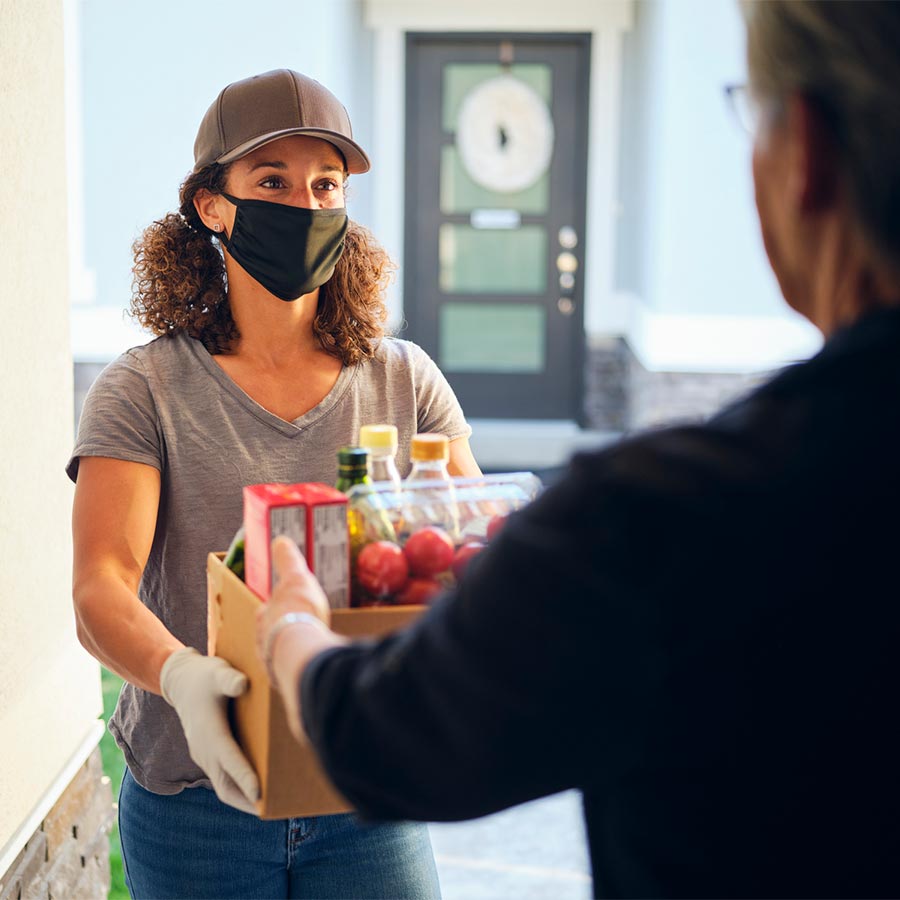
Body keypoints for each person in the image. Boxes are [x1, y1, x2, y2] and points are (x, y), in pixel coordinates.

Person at [255, 4, 900, 897]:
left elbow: (394, 738)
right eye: (275, 183)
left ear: (807, 158)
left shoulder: (663, 522)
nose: (307, 206)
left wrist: (290, 629)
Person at [69, 68, 480, 899]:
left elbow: (470, 556)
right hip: (196, 802)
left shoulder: (405, 381)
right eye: (271, 181)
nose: (304, 204)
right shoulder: (144, 389)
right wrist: (183, 679)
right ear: (212, 207)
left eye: (325, 184)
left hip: (365, 787)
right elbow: (101, 585)